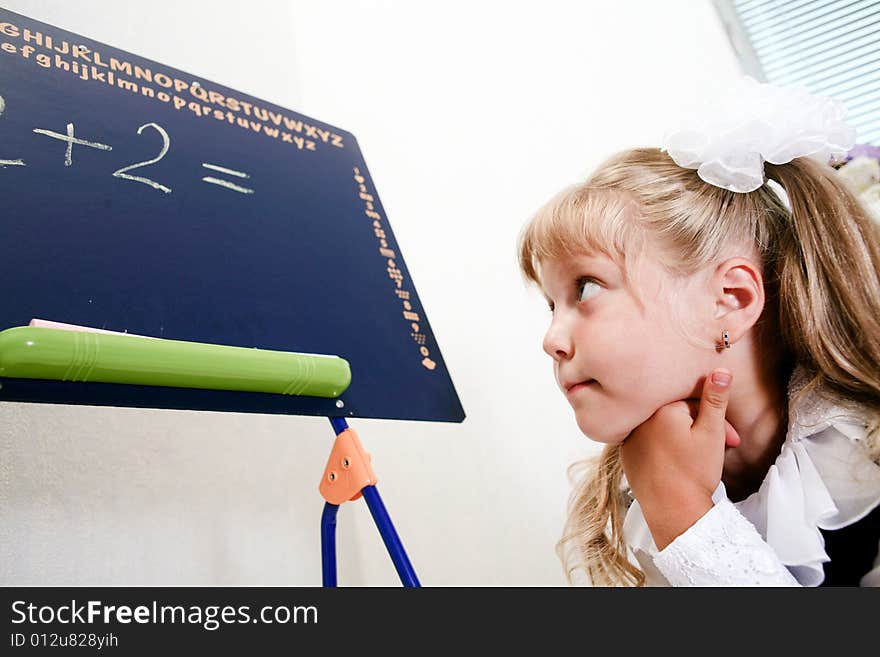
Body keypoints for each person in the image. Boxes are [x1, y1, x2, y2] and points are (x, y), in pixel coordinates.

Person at [517, 77, 880, 586]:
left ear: (731, 301)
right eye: (552, 305)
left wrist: (686, 517)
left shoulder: (868, 460)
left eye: (587, 289)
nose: (551, 339)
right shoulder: (636, 497)